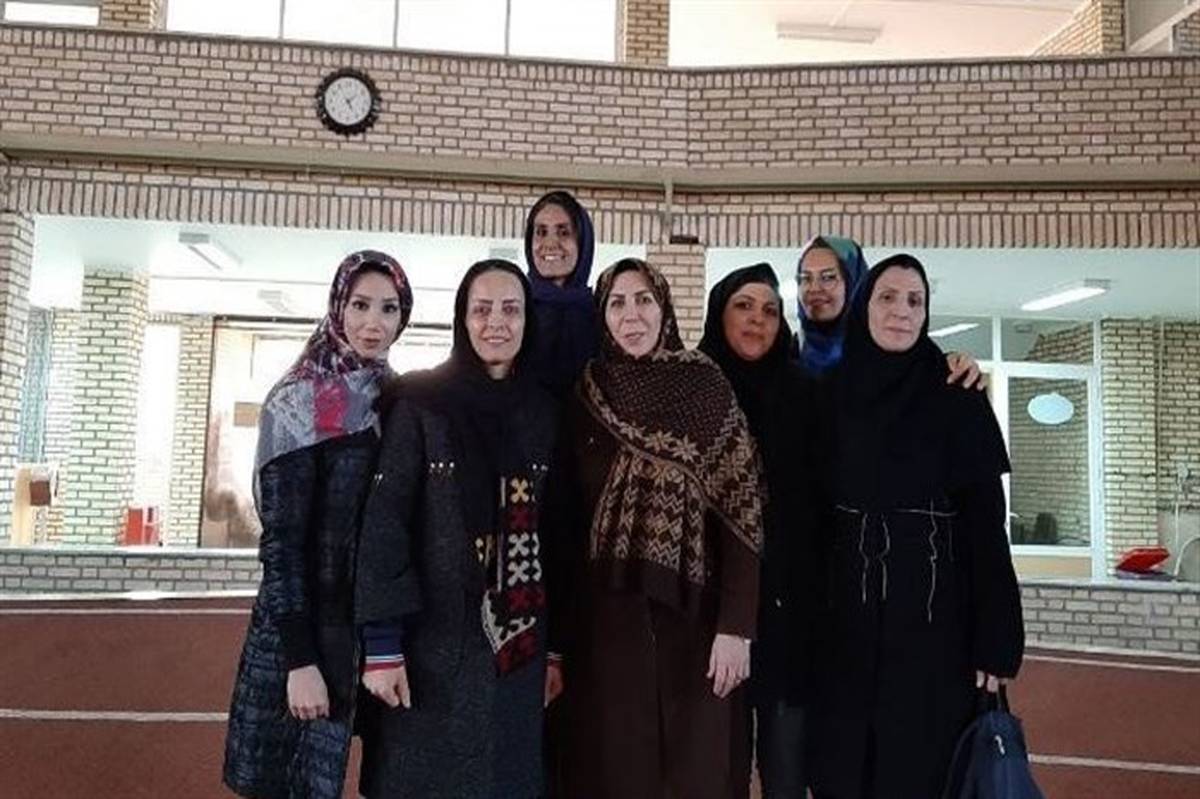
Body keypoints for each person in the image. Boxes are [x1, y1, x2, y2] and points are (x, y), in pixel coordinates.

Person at [808, 254, 1025, 799]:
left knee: (921, 775)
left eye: (915, 301)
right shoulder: (829, 396)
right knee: (842, 774)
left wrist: (996, 641)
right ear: (863, 307)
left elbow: (986, 529)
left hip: (933, 639)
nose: (902, 311)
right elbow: (810, 518)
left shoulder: (958, 396)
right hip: (843, 636)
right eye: (887, 297)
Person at [546, 257, 764, 799]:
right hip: (605, 623)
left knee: (696, 772)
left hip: (695, 620)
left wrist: (737, 627)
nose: (632, 315)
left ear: (664, 308)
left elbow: (742, 510)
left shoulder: (705, 386)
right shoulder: (586, 393)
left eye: (643, 300)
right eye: (617, 303)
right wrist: (558, 642)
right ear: (602, 316)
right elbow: (565, 521)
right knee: (612, 769)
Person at [354, 259, 560, 799]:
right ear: (462, 319)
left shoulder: (544, 412)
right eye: (482, 309)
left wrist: (555, 651)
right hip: (428, 651)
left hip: (518, 656)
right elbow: (385, 522)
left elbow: (558, 535)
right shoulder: (421, 404)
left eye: (511, 310)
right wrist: (382, 645)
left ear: (528, 320)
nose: (497, 323)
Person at [223, 250, 413, 799]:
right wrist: (299, 659)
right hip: (304, 630)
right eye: (360, 305)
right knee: (292, 784)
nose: (374, 323)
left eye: (389, 308)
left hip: (369, 626)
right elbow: (281, 544)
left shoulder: (394, 399)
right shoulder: (296, 402)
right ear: (337, 307)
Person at [698, 263, 815, 799]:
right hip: (710, 614)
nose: (757, 320)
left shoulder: (804, 392)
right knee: (714, 769)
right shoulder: (695, 390)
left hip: (787, 614)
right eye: (743, 306)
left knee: (785, 769)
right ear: (719, 313)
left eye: (770, 310)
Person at [796, 235, 985, 389]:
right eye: (805, 278)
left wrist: (954, 364)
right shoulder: (789, 355)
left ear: (855, 283)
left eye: (828, 277)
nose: (814, 288)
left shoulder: (886, 356)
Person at [522, 189, 598, 398]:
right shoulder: (514, 308)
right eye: (541, 232)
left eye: (564, 232)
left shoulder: (602, 317)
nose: (550, 243)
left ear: (583, 243)